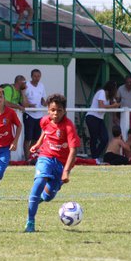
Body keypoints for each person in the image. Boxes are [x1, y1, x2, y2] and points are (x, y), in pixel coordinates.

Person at [24, 94, 80, 232]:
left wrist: (66, 171)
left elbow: (73, 150)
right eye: (53, 110)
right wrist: (38, 144)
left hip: (61, 164)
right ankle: (30, 221)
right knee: (39, 182)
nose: (55, 113)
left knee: (48, 197)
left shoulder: (68, 127)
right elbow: (45, 132)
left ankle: (39, 198)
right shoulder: (44, 120)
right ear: (48, 110)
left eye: (59, 110)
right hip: (46, 156)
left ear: (64, 111)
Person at [85, 80, 120, 160]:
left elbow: (114, 106)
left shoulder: (110, 97)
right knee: (94, 138)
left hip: (99, 118)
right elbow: (101, 106)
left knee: (105, 139)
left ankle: (95, 156)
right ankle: (94, 157)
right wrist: (113, 105)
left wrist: (115, 102)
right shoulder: (102, 92)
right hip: (92, 117)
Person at [23, 69, 46, 161]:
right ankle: (26, 158)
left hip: (39, 115)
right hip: (29, 114)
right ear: (31, 76)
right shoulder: (26, 85)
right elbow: (23, 98)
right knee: (28, 138)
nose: (37, 78)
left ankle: (31, 157)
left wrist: (46, 103)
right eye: (35, 76)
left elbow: (42, 99)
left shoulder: (41, 85)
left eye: (38, 76)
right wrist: (29, 105)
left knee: (36, 139)